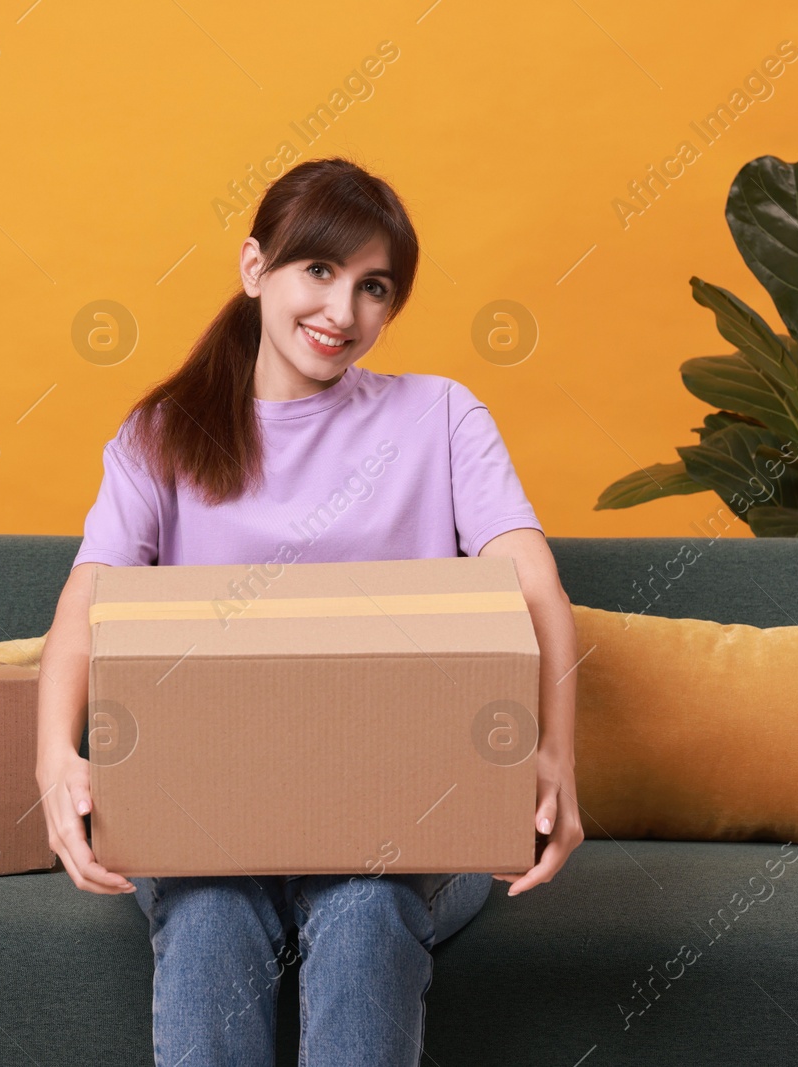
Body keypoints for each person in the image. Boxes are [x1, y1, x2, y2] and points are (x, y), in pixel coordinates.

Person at [35, 156, 582, 1066]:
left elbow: (536, 592)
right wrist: (57, 759)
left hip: (411, 822)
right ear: (256, 270)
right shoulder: (163, 436)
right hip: (205, 824)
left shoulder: (440, 418)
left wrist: (555, 753)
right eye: (318, 271)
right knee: (211, 910)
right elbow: (84, 606)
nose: (343, 313)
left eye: (374, 287)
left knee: (367, 902)